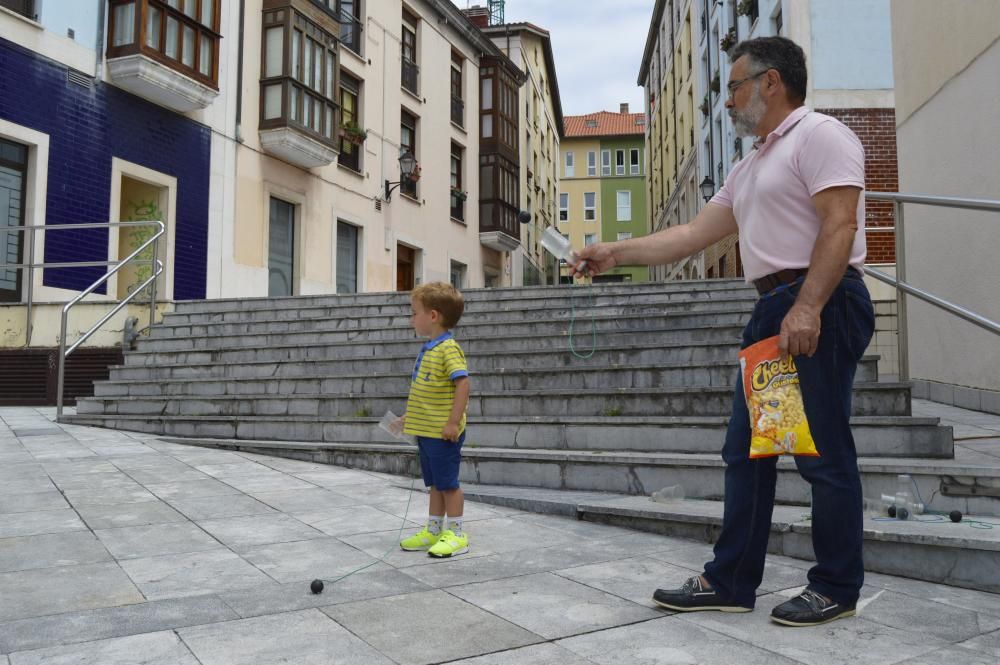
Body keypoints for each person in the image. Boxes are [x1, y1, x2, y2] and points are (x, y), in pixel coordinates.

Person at [573, 36, 875, 627]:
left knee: (822, 450)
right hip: (772, 307)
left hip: (821, 299)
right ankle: (732, 579)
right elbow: (690, 235)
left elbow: (840, 225)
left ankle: (836, 585)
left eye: (735, 86)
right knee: (746, 451)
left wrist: (809, 306)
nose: (728, 101)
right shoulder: (752, 162)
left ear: (770, 82)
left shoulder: (820, 136)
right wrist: (615, 251)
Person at [398, 282, 472, 557]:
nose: (411, 319)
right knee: (434, 484)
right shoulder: (428, 349)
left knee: (448, 484)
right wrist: (408, 418)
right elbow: (426, 394)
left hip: (443, 433)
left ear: (433, 316)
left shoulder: (447, 349)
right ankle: (433, 529)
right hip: (426, 431)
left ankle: (456, 532)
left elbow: (463, 384)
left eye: (414, 312)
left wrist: (453, 422)